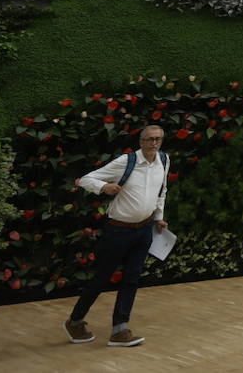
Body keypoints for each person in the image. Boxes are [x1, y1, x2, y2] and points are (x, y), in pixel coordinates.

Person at [64, 125, 171, 347]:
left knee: (131, 279)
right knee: (101, 278)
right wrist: (105, 187)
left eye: (158, 139)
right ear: (141, 141)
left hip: (144, 231)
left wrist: (159, 217)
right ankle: (75, 321)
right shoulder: (127, 161)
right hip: (118, 230)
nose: (154, 143)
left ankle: (120, 330)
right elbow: (85, 179)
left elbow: (162, 192)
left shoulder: (164, 160)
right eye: (150, 139)